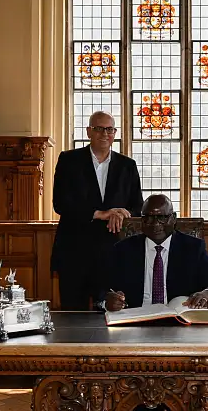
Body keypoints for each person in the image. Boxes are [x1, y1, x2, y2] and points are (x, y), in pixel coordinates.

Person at [103, 194, 208, 411]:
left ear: (173, 220)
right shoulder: (124, 249)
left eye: (162, 217)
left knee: (189, 382)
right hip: (134, 329)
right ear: (141, 221)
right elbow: (99, 287)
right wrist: (108, 300)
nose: (155, 223)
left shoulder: (192, 247)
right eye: (148, 217)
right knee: (118, 379)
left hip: (180, 331)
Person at [51, 111, 144, 310]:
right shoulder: (69, 160)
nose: (104, 134)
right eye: (99, 129)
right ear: (88, 132)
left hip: (114, 254)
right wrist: (100, 214)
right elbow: (60, 203)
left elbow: (138, 207)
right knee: (73, 318)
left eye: (109, 129)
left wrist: (121, 214)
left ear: (115, 133)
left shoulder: (128, 165)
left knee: (112, 317)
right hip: (74, 253)